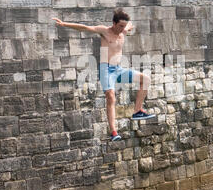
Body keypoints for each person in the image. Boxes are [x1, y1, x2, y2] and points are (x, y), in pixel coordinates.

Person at [52, 9, 156, 142]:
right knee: (111, 97)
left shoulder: (123, 31)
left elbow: (128, 26)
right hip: (106, 70)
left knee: (145, 79)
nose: (122, 29)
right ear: (113, 23)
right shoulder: (104, 31)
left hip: (119, 69)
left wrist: (128, 26)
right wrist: (65, 24)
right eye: (120, 26)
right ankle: (113, 132)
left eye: (124, 27)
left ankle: (137, 111)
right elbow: (84, 28)